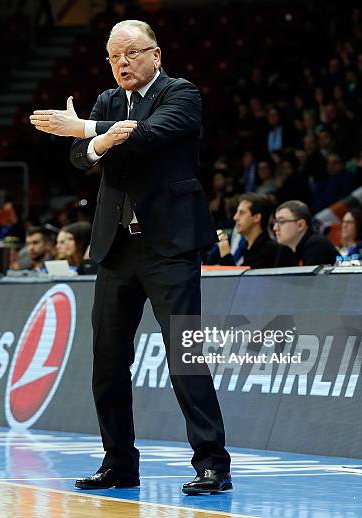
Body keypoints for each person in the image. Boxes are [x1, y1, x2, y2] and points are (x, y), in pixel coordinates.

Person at [29, 19, 231, 495]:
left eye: (131, 53)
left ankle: (211, 464)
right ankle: (119, 462)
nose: (122, 63)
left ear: (156, 55)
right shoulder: (107, 101)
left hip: (171, 248)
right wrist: (97, 137)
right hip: (117, 248)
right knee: (108, 362)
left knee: (185, 356)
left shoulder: (182, 93)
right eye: (114, 56)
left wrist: (83, 130)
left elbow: (149, 136)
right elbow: (82, 158)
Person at [213, 193, 296, 268]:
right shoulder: (247, 247)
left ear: (256, 218)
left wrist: (226, 254)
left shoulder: (272, 250)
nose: (235, 217)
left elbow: (239, 281)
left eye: (241, 213)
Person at [274, 200, 338, 266]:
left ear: (300, 225)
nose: (275, 228)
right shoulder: (285, 249)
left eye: (281, 222)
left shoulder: (316, 244)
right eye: (275, 222)